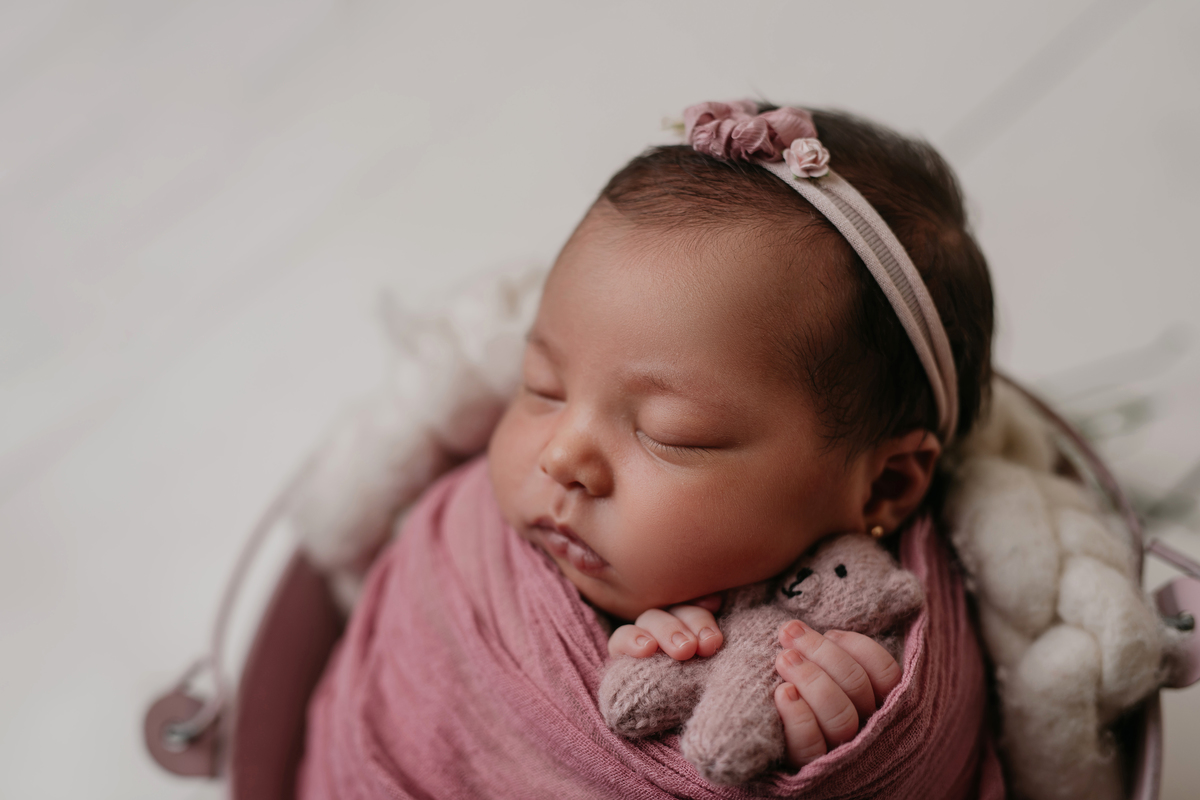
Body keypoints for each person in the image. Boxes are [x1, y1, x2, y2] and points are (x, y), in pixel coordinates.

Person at [299, 100, 997, 798]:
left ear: (884, 488)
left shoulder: (868, 634)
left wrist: (821, 732)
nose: (562, 456)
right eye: (542, 386)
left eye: (669, 434)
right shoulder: (466, 558)